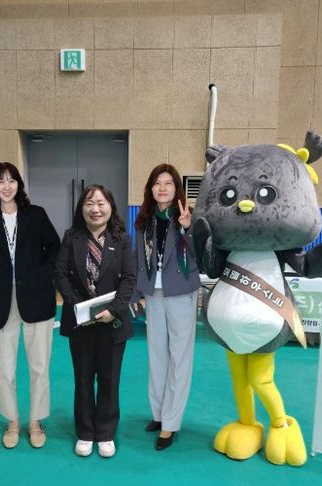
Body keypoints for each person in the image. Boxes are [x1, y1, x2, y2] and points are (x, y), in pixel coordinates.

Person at [0, 162, 60, 449]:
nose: (6, 186)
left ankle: (35, 421)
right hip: (0, 301)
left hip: (36, 298)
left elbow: (54, 248)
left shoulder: (36, 215)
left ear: (19, 184)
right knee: (4, 370)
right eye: (0, 181)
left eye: (11, 180)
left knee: (39, 367)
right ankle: (12, 421)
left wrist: (39, 276)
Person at [54, 184, 134, 458]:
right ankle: (86, 432)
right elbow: (60, 274)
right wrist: (79, 307)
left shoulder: (121, 239)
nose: (95, 209)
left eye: (101, 203)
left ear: (110, 207)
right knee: (83, 379)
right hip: (81, 323)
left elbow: (129, 278)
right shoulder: (71, 237)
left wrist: (115, 310)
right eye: (89, 203)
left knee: (110, 380)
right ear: (82, 208)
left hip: (113, 322)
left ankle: (106, 433)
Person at [131, 164, 201, 450]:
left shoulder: (188, 218)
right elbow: (138, 259)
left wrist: (188, 228)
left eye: (168, 183)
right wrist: (136, 293)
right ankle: (159, 413)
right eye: (157, 183)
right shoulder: (143, 222)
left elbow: (201, 254)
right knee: (156, 355)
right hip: (154, 294)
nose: (162, 188)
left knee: (179, 359)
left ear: (176, 188)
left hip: (181, 292)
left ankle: (171, 423)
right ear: (150, 188)